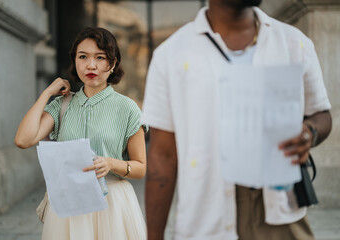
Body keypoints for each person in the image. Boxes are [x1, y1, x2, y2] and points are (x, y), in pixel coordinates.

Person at [141, 0, 332, 239]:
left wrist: (309, 132)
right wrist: (154, 234)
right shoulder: (171, 55)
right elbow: (163, 155)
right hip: (206, 218)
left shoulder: (294, 42)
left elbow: (321, 113)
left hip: (280, 210)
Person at [15, 27, 147, 240]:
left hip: (112, 205)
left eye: (100, 57)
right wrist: (47, 93)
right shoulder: (61, 105)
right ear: (75, 62)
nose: (90, 65)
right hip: (69, 203)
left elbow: (140, 167)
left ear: (112, 63)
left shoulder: (128, 108)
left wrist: (111, 163)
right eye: (83, 57)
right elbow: (23, 140)